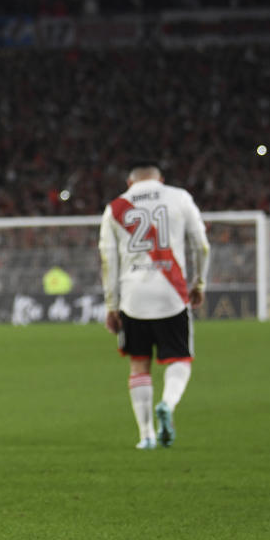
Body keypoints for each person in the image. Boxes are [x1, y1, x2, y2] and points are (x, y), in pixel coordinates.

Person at [99, 162, 210, 449]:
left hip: (133, 295)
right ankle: (168, 405)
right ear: (160, 179)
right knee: (180, 359)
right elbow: (202, 245)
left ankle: (146, 435)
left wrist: (112, 305)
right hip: (171, 292)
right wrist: (199, 283)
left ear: (129, 182)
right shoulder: (179, 197)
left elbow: (108, 260)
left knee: (139, 364)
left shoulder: (115, 208)